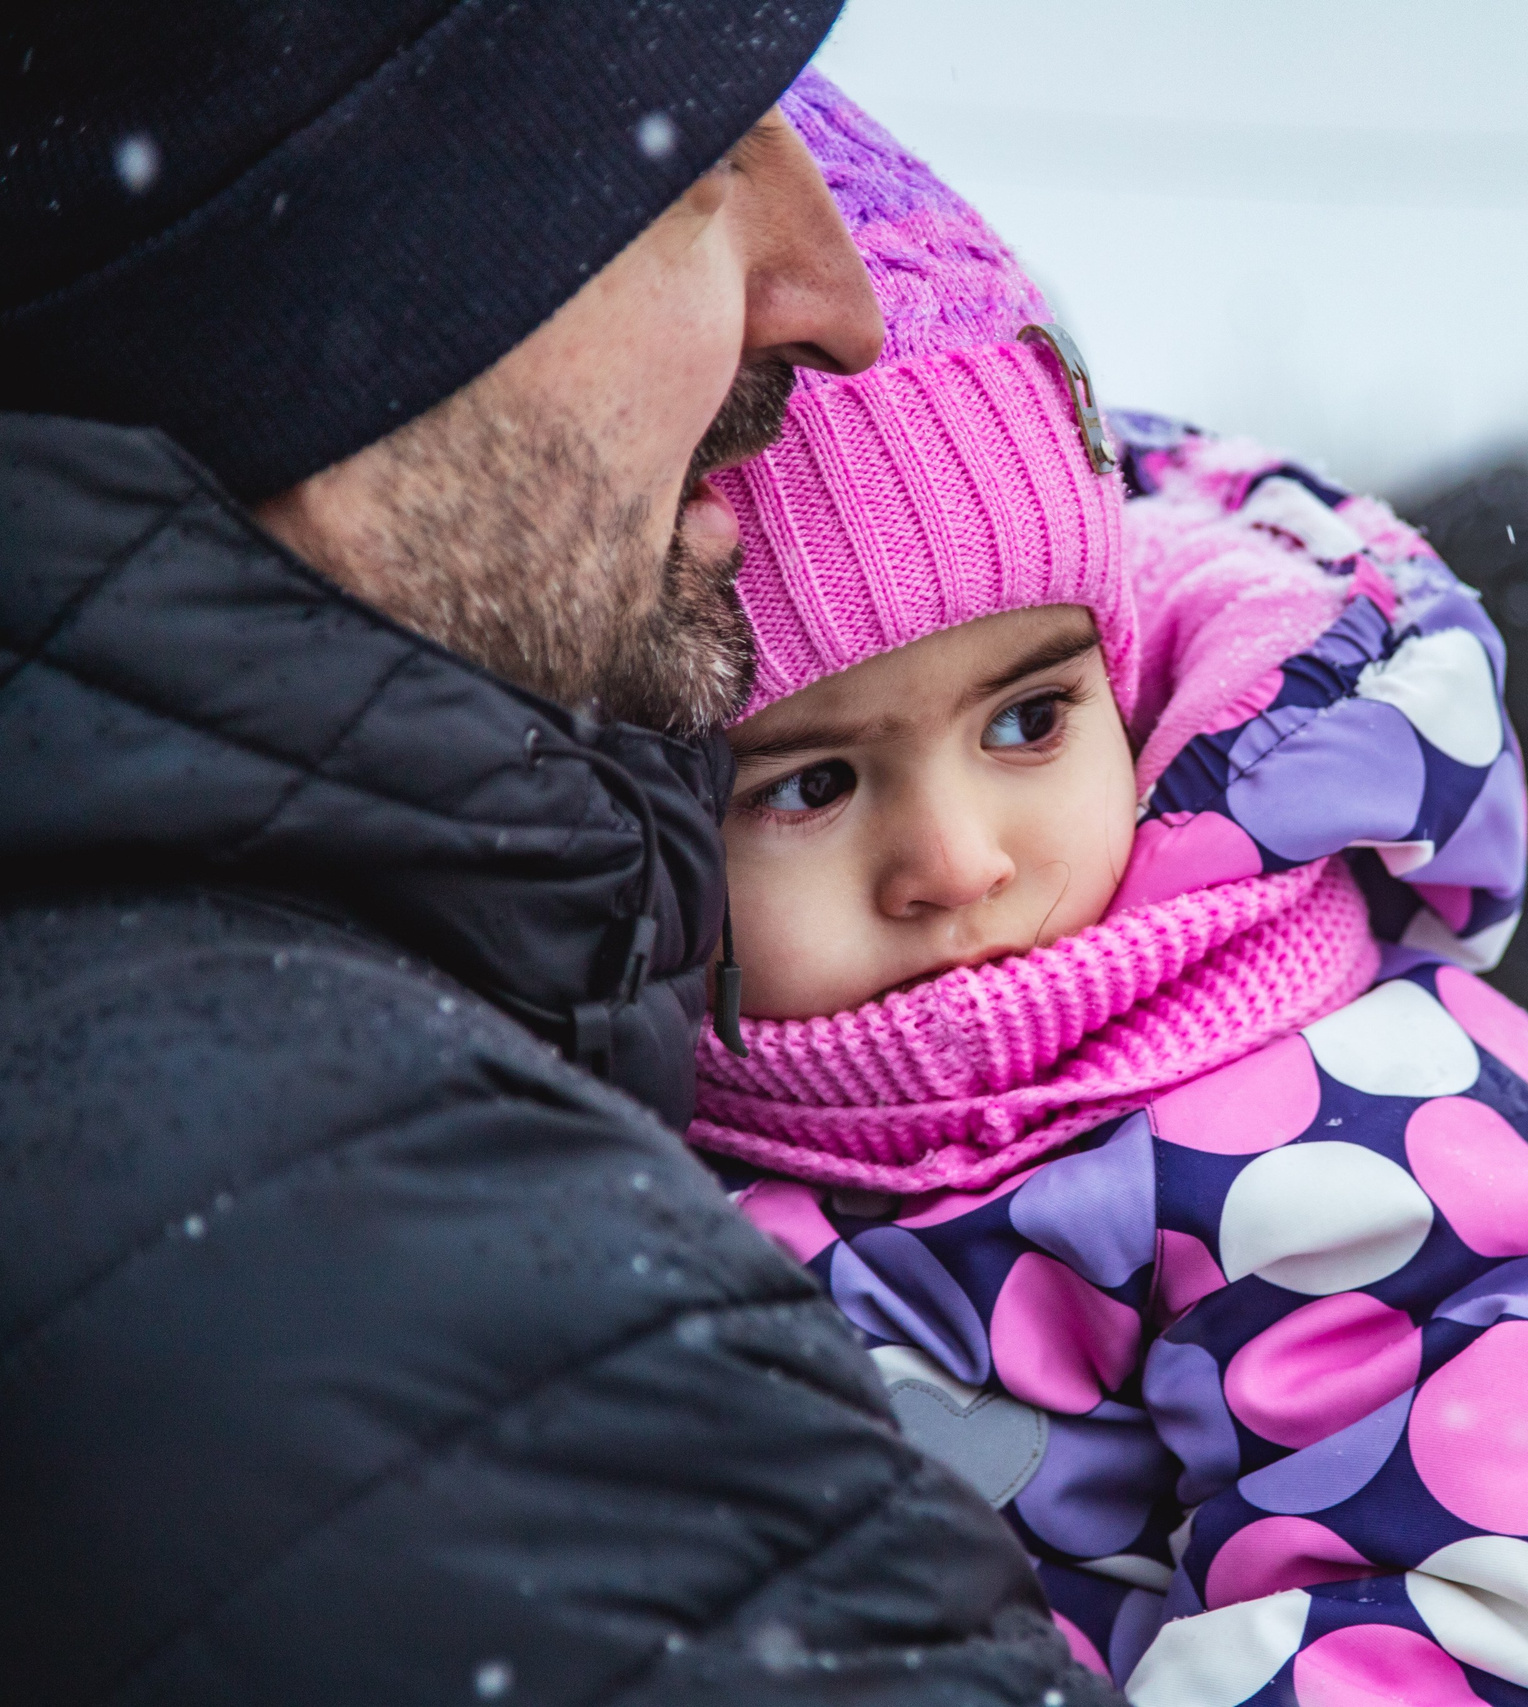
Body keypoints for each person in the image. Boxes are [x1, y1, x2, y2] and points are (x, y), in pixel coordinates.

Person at [0, 5, 1113, 1701]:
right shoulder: (486, 1357)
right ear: (319, 272)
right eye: (695, 165)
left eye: (1033, 716)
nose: (836, 296)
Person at [689, 76, 1528, 1707]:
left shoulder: (1321, 1117)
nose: (957, 860)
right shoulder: (606, 1082)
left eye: (1030, 721)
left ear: (1128, 682)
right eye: (812, 783)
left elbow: (1455, 1601)